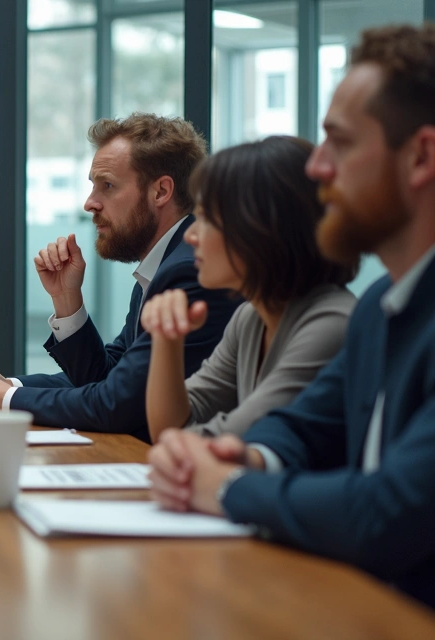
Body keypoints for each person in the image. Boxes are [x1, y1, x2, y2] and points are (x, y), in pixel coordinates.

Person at [148, 24, 435, 609]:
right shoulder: (381, 309)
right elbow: (303, 425)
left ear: (421, 157)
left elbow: (385, 510)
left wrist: (229, 486)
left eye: (342, 143)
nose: (317, 167)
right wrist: (243, 455)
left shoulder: (346, 314)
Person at [0, 114, 241, 441]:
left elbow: (116, 403)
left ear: (161, 191)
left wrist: (4, 399)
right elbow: (111, 376)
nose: (90, 203)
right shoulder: (163, 263)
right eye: (92, 185)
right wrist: (65, 301)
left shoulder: (189, 271)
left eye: (108, 185)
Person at [141, 136, 358, 443]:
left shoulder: (330, 324)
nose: (190, 235)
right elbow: (168, 433)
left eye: (206, 218)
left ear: (262, 228)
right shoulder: (251, 316)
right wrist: (167, 338)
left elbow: (226, 444)